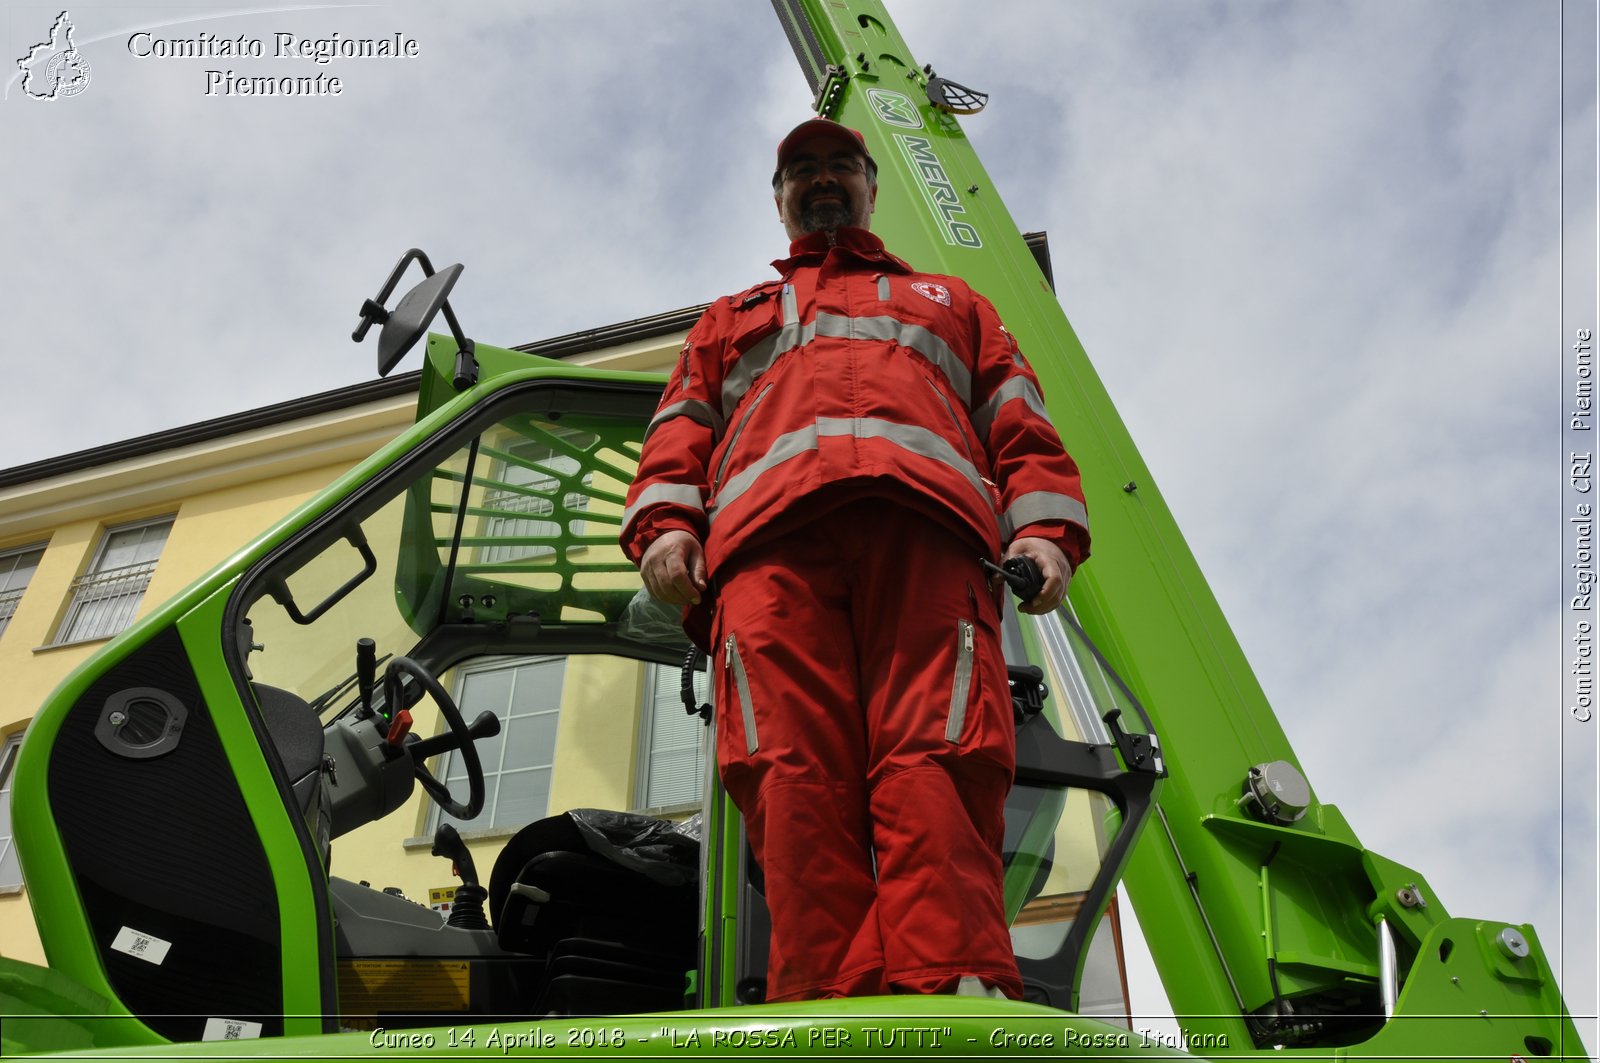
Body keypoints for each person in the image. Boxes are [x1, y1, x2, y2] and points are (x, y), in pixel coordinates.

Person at [620, 117, 1090, 1003]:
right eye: (802, 170)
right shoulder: (728, 320)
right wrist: (668, 529)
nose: (822, 179)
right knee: (789, 774)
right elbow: (676, 438)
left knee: (939, 757)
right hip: (766, 557)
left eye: (839, 164)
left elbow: (1021, 426)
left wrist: (1043, 535)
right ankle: (831, 1006)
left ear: (873, 185)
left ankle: (946, 992)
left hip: (928, 539)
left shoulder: (953, 304)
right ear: (779, 199)